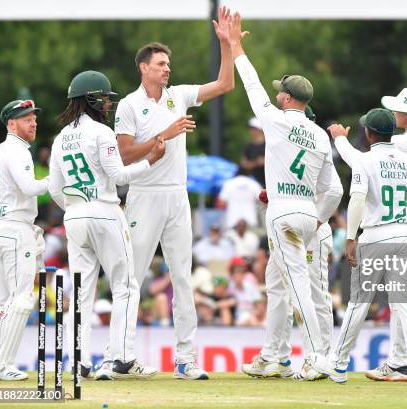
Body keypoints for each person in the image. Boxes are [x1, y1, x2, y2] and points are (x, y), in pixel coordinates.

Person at [114, 6, 235, 380]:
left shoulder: (178, 95)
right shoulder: (129, 104)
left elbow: (224, 85)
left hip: (176, 196)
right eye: (161, 64)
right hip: (143, 194)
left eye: (168, 63)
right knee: (131, 278)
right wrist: (166, 133)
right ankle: (120, 356)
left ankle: (185, 359)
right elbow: (124, 152)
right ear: (143, 68)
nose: (167, 69)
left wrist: (227, 46)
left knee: (183, 276)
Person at [229, 13, 342, 377]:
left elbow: (251, 85)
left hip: (282, 215)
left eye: (280, 91)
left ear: (287, 97)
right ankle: (273, 356)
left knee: (297, 289)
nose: (275, 94)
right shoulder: (320, 135)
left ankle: (317, 357)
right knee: (277, 285)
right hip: (308, 213)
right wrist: (318, 218)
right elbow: (334, 189)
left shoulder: (275, 119)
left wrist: (236, 47)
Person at [332, 89, 407, 382]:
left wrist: (339, 138)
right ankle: (400, 362)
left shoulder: (398, 143)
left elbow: (359, 162)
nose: (396, 115)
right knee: (404, 298)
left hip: (401, 225)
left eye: (400, 110)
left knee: (401, 301)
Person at [48, 70, 164, 380]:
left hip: (74, 216)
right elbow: (119, 175)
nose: (108, 104)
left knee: (82, 292)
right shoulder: (101, 132)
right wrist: (151, 159)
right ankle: (123, 359)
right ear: (91, 99)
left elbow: (54, 189)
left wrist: (76, 206)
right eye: (104, 98)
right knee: (125, 285)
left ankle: (80, 363)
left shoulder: (60, 139)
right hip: (104, 211)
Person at [317, 108, 407, 385]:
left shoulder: (364, 161)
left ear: (368, 133)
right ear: (392, 132)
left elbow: (357, 200)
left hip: (375, 236)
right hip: (406, 235)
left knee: (358, 302)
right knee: (406, 305)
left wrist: (350, 238)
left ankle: (338, 364)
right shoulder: (406, 160)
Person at [0, 99, 48, 380]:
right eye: (26, 119)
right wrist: (57, 178)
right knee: (22, 299)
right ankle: (3, 364)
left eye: (34, 118)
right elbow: (30, 187)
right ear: (12, 124)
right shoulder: (17, 150)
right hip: (15, 229)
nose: (33, 122)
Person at [240, 117, 266, 186]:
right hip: (253, 182)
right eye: (251, 129)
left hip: (266, 181)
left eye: (254, 129)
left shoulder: (267, 145)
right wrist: (257, 163)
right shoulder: (249, 146)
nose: (252, 131)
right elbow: (243, 163)